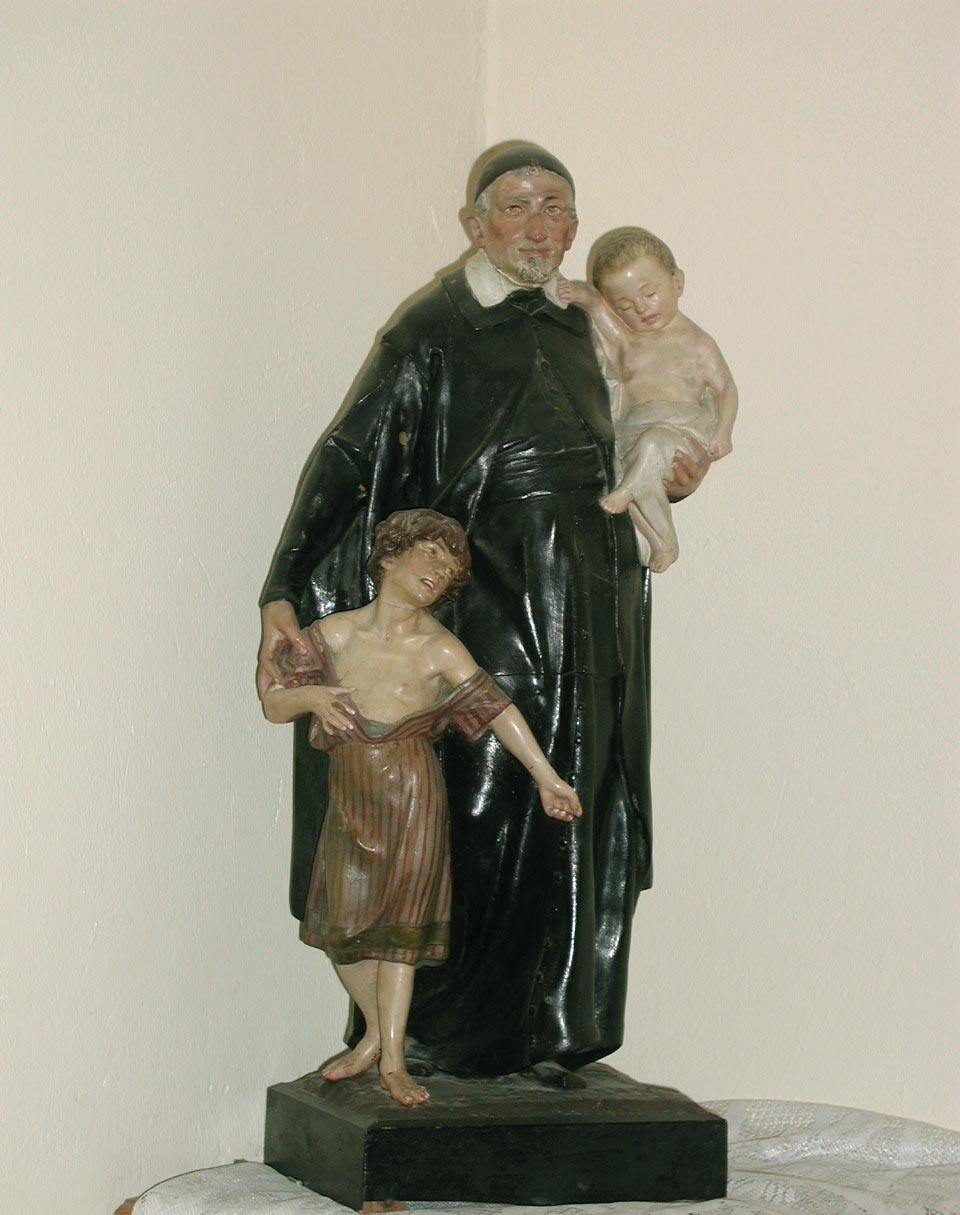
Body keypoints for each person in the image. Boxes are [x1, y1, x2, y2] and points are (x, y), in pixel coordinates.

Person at [258, 144, 708, 1081]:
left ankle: (551, 1030)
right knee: (475, 797)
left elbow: (644, 416)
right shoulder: (436, 327)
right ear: (476, 223)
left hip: (590, 594)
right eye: (518, 206)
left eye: (557, 208)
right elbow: (352, 452)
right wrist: (283, 586)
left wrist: (673, 471)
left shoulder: (591, 320)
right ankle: (437, 1031)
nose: (540, 227)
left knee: (578, 794)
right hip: (486, 591)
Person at [259, 509, 580, 1107]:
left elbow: (498, 711)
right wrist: (310, 697)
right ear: (389, 557)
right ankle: (376, 1035)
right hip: (352, 797)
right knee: (340, 932)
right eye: (431, 553)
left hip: (412, 796)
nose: (441, 570)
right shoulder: (333, 635)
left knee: (400, 941)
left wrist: (546, 777)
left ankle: (393, 1062)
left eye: (451, 567)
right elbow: (274, 704)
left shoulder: (440, 649)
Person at [559, 227, 738, 572]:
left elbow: (725, 387)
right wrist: (580, 295)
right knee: (627, 468)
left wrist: (723, 433)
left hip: (681, 429)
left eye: (650, 294)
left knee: (652, 445)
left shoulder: (696, 343)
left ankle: (629, 490)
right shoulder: (629, 343)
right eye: (625, 306)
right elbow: (596, 309)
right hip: (632, 431)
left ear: (677, 282)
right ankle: (661, 541)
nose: (641, 308)